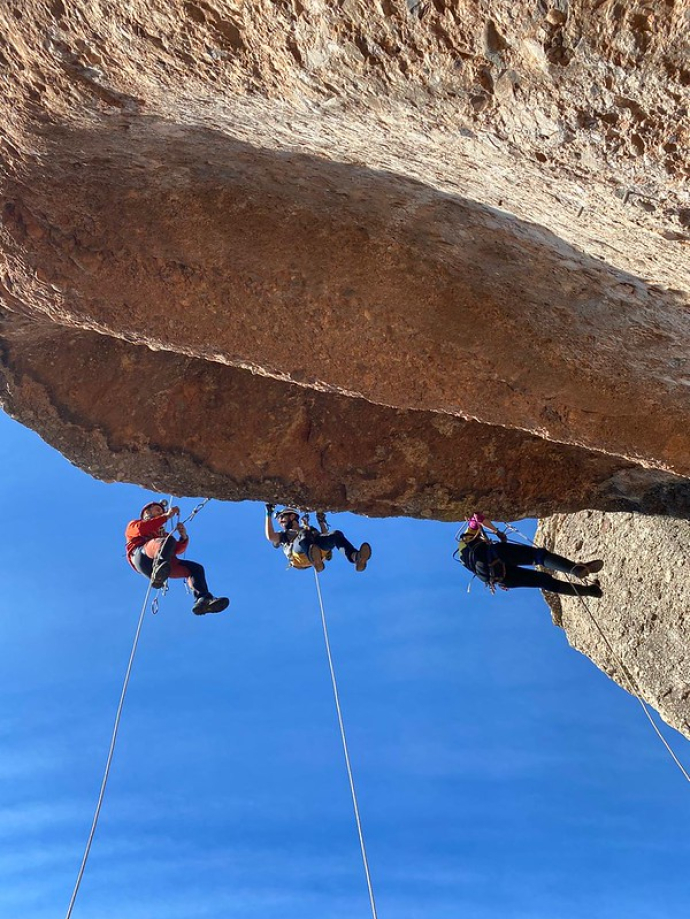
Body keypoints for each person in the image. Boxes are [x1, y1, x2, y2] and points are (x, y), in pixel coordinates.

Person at [456, 512, 603, 597]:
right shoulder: (465, 539)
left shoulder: (465, 560)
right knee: (537, 556)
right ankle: (575, 569)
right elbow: (478, 517)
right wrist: (497, 532)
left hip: (500, 578)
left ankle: (590, 591)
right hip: (496, 554)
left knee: (544, 581)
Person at [125, 500, 229, 615]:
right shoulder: (134, 524)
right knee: (167, 541)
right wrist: (167, 516)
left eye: (161, 511)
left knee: (196, 569)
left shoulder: (162, 535)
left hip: (161, 559)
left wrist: (183, 537)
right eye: (158, 510)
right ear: (146, 512)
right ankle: (159, 569)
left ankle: (203, 599)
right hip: (142, 556)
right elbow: (141, 529)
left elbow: (176, 550)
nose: (160, 513)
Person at [265, 505, 371, 573]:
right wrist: (268, 514)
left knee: (336, 534)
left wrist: (320, 521)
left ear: (292, 517)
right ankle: (314, 559)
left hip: (317, 552)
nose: (280, 521)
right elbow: (270, 536)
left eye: (281, 517)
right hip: (299, 556)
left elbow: (324, 537)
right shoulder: (285, 535)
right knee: (304, 534)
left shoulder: (309, 529)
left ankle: (355, 556)